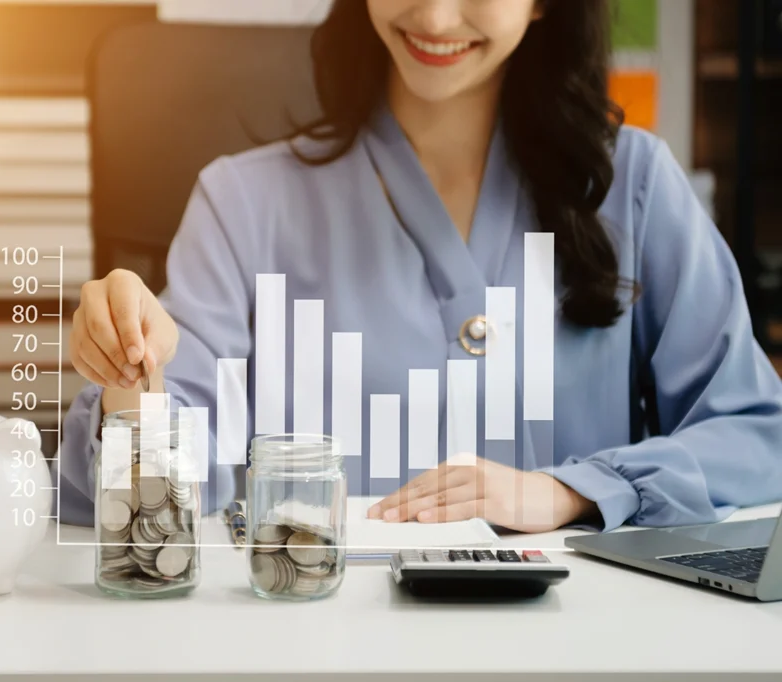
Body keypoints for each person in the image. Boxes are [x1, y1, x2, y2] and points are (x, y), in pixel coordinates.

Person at [55, 0, 782, 533]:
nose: (434, 18)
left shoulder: (636, 186)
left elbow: (756, 437)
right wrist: (131, 378)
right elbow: (141, 507)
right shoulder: (243, 201)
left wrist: (570, 492)